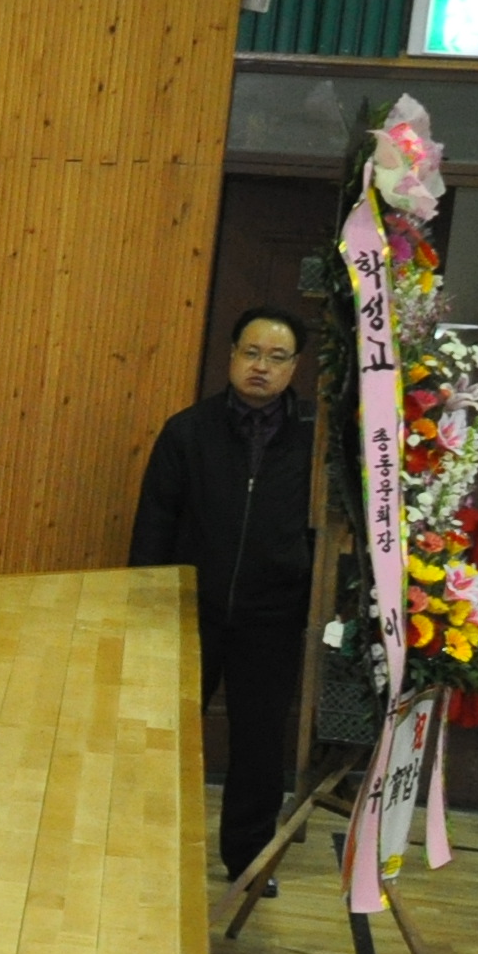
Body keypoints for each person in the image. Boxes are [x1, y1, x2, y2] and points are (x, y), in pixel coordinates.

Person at [128, 305, 318, 883]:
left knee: (260, 743)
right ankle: (147, 846)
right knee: (166, 733)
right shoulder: (188, 431)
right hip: (190, 611)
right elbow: (154, 523)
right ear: (232, 356)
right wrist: (145, 604)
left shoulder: (314, 441)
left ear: (294, 367)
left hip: (273, 617)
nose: (261, 366)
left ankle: (248, 859)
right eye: (251, 353)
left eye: (277, 357)